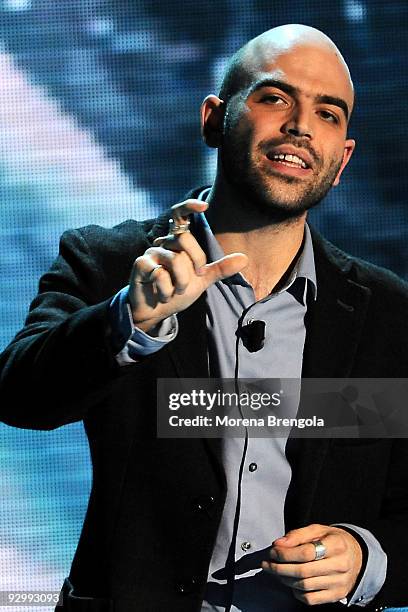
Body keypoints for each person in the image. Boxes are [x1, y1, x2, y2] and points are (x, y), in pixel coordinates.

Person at [1, 23, 408, 612]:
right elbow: (20, 396)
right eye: (275, 98)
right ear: (215, 119)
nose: (299, 126)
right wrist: (129, 321)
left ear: (341, 159)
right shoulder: (113, 263)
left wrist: (367, 556)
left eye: (328, 113)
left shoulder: (387, 315)